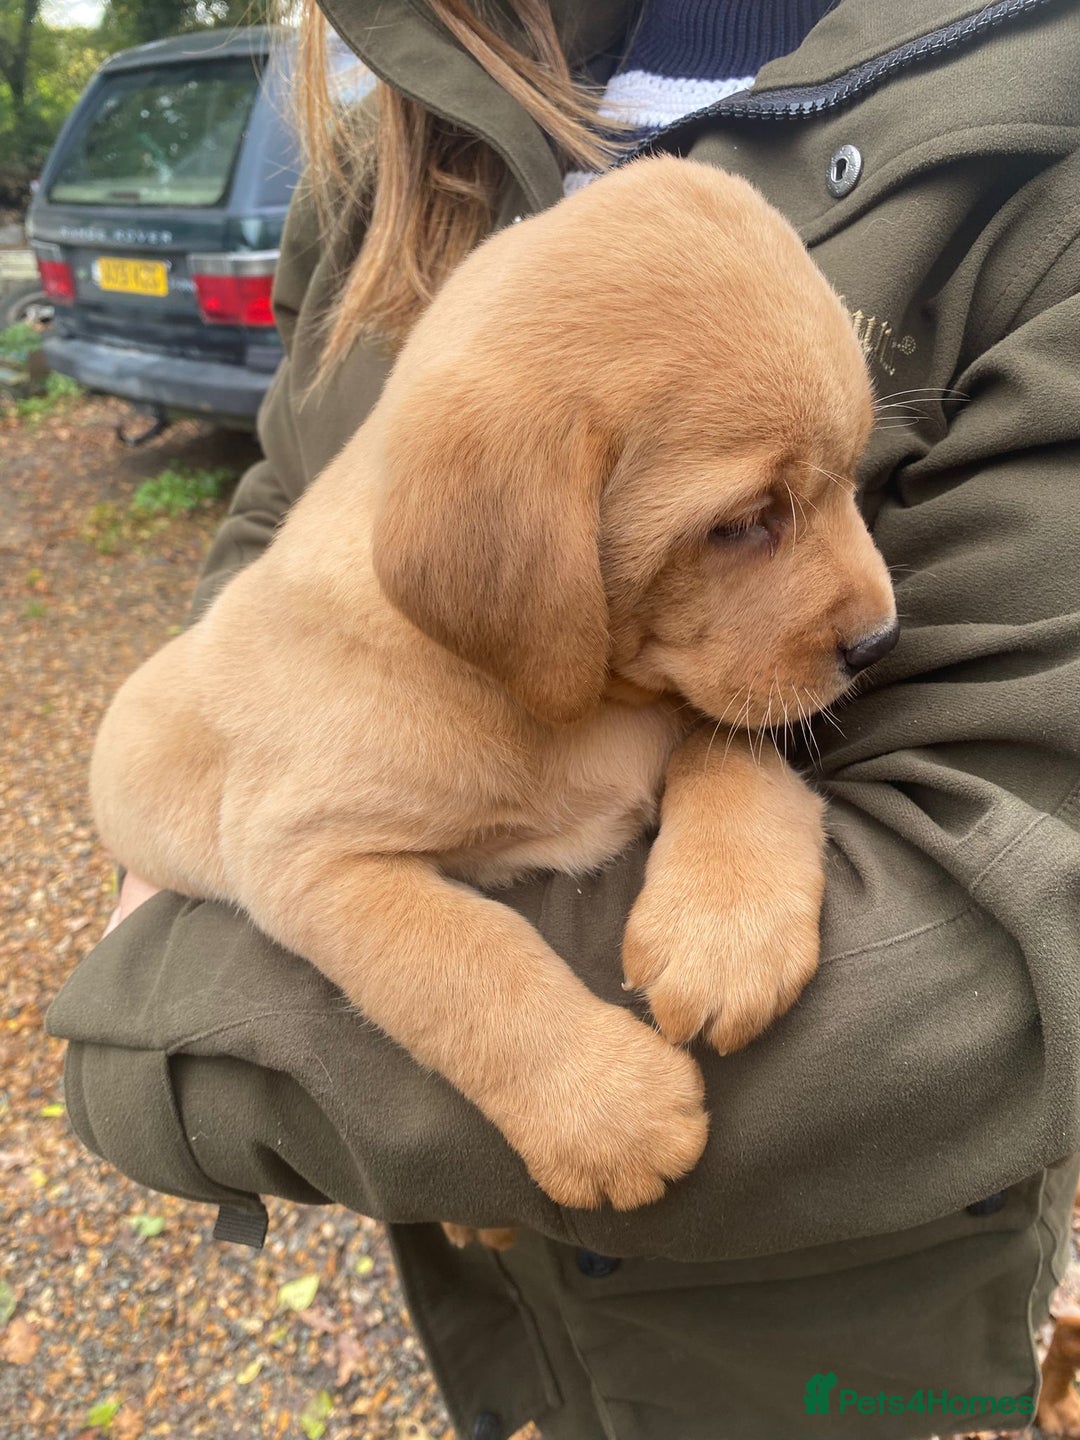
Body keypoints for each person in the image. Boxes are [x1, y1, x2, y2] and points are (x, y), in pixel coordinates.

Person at [47, 1, 1080, 1436]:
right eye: (750, 522)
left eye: (842, 482)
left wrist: (738, 799)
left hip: (827, 1337)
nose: (866, 601)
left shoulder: (1039, 120)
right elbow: (291, 499)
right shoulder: (400, 120)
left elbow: (996, 913)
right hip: (513, 1316)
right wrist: (517, 1053)